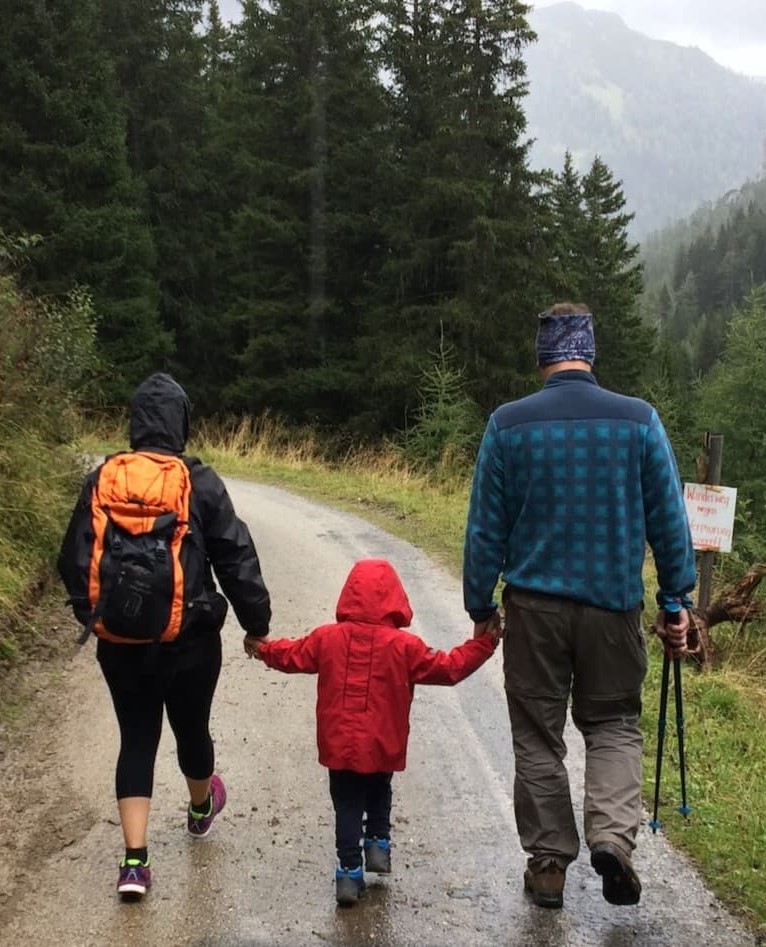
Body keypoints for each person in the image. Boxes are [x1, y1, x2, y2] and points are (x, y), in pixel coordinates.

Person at [462, 303, 695, 910]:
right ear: (589, 352)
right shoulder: (639, 421)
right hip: (612, 607)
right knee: (614, 723)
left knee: (538, 735)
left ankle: (548, 866)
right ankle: (611, 838)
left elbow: (484, 530)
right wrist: (676, 599)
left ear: (542, 356)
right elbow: (670, 521)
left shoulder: (507, 426)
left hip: (534, 611)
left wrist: (480, 604)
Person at [58, 372, 272, 899]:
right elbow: (235, 556)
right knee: (192, 729)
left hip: (120, 642)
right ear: (182, 423)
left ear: (135, 423)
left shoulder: (103, 478)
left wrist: (99, 615)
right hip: (190, 640)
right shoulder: (199, 481)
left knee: (136, 738)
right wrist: (256, 624)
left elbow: (72, 559)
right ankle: (200, 808)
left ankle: (134, 862)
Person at [245, 558, 499, 907]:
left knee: (347, 803)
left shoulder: (326, 639)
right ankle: (378, 844)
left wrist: (263, 649)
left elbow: (292, 655)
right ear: (395, 598)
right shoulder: (405, 647)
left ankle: (349, 873)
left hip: (340, 744)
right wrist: (484, 644)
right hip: (383, 741)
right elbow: (449, 667)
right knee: (380, 786)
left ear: (349, 595)